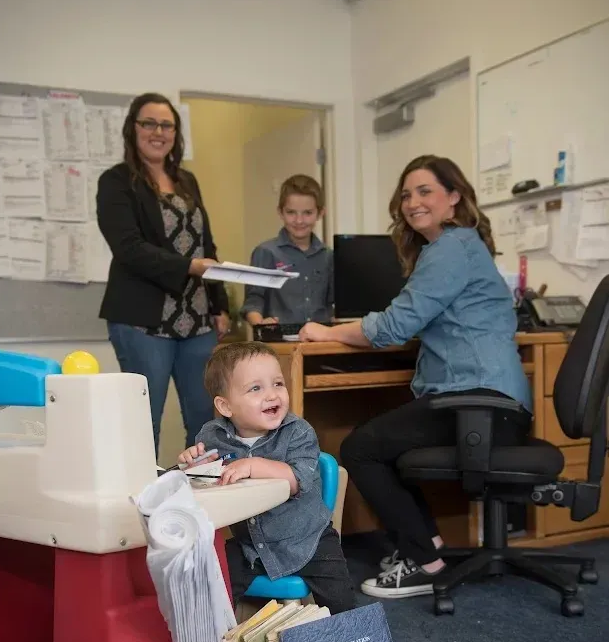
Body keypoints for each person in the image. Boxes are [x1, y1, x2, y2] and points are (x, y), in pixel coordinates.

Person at [298, 155, 533, 599]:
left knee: (360, 447)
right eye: (407, 194)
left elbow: (394, 327)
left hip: (481, 401)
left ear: (454, 198)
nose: (412, 202)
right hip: (487, 399)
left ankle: (424, 562)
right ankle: (429, 546)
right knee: (388, 441)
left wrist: (327, 332)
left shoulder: (451, 247)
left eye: (425, 191)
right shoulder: (458, 247)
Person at [96, 92, 230, 456]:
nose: (158, 132)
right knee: (143, 421)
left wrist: (219, 305)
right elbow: (128, 248)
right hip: (143, 324)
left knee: (208, 421)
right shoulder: (116, 181)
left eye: (166, 124)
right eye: (149, 123)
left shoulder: (186, 180)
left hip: (197, 322)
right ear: (133, 129)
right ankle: (142, 508)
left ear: (175, 132)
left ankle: (200, 505)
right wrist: (189, 267)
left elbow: (206, 246)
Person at [178, 341, 356, 614]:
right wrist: (194, 464)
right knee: (210, 582)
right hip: (250, 546)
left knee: (343, 604)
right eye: (256, 388)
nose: (272, 395)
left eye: (277, 384)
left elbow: (297, 479)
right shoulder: (212, 436)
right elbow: (207, 485)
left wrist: (254, 465)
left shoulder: (298, 432)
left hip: (307, 539)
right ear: (226, 406)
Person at [242, 174, 333, 327]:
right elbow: (253, 301)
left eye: (307, 213)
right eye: (291, 212)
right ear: (280, 212)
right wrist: (260, 324)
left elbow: (333, 304)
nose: (299, 221)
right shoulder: (265, 252)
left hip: (320, 342)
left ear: (320, 213)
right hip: (279, 341)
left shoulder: (328, 256)